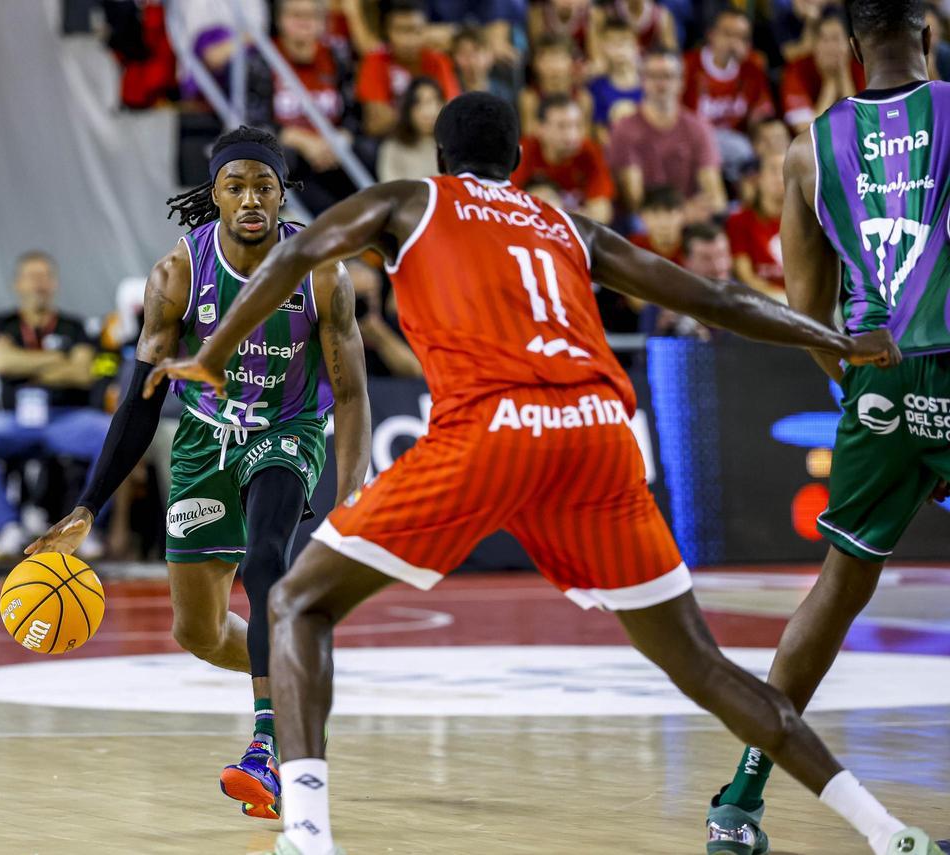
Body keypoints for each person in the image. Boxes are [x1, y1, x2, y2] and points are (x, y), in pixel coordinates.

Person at [152, 91, 933, 855]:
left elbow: (296, 253)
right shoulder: (563, 220)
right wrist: (831, 336)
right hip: (601, 435)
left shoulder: (411, 199)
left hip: (493, 429)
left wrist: (212, 353)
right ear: (519, 161)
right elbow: (715, 296)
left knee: (294, 603)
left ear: (439, 158)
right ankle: (885, 830)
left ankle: (308, 833)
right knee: (701, 664)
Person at [24, 127, 371, 823]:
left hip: (288, 430)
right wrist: (89, 505)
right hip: (206, 438)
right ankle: (295, 677)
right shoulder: (176, 273)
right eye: (235, 185)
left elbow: (354, 391)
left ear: (282, 194)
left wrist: (353, 492)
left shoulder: (321, 272)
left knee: (267, 557)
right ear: (212, 194)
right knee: (199, 631)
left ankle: (269, 748)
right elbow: (142, 396)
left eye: (264, 187)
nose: (250, 198)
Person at [704, 2, 950, 853]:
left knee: (840, 584)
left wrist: (852, 388)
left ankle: (740, 800)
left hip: (877, 370)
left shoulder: (809, 148)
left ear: (848, 48)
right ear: (928, 34)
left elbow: (803, 304)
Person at [0, 251, 109, 563]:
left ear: (55, 284)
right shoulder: (3, 323)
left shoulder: (72, 326)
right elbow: (1, 362)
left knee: (110, 435)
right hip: (15, 421)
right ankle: (7, 526)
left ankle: (83, 527)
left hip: (64, 419)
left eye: (45, 276)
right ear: (17, 284)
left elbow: (83, 372)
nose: (39, 284)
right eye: (32, 277)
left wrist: (23, 365)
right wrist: (58, 360)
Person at [249, 0, 359, 214]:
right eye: (296, 16)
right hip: (291, 155)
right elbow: (254, 121)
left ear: (322, 23)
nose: (304, 23)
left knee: (364, 151)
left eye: (311, 16)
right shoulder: (263, 60)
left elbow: (354, 114)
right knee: (281, 157)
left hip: (331, 153)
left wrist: (341, 137)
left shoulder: (337, 57)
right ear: (280, 20)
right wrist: (303, 141)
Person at [609, 47, 726, 222]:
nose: (661, 84)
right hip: (645, 220)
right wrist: (676, 216)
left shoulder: (698, 127)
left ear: (681, 82)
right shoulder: (625, 129)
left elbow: (716, 197)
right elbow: (634, 200)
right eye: (654, 76)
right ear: (642, 81)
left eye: (668, 76)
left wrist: (687, 214)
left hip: (688, 218)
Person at [683, 7, 776, 176]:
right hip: (693, 143)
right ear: (711, 35)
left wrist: (761, 140)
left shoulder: (753, 70)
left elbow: (761, 115)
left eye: (741, 37)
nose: (733, 43)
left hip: (737, 147)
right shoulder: (688, 65)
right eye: (727, 34)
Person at [355, 0, 461, 137]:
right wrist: (424, 113)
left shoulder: (437, 60)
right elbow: (376, 124)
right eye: (401, 30)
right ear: (387, 31)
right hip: (393, 141)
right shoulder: (374, 60)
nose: (408, 40)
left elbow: (452, 111)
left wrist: (400, 114)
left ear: (425, 31)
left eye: (415, 31)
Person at [511, 93, 615, 224]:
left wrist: (556, 214)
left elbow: (602, 213)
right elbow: (508, 205)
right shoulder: (523, 152)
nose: (571, 135)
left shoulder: (590, 152)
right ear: (540, 128)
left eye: (577, 125)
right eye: (562, 126)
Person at [781, 7, 867, 132]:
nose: (831, 47)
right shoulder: (796, 70)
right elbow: (807, 132)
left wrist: (844, 75)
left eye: (836, 39)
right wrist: (830, 83)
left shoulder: (860, 68)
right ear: (814, 44)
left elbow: (861, 125)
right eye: (824, 39)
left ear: (850, 44)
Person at [726, 151, 786, 301]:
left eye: (786, 170)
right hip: (763, 299)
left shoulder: (809, 219)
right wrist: (782, 297)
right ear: (758, 178)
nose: (780, 177)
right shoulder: (739, 220)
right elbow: (746, 276)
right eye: (773, 170)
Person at [517, 35, 593, 132]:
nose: (554, 65)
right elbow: (529, 135)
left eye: (560, 58)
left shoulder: (583, 98)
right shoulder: (529, 98)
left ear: (571, 62)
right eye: (547, 59)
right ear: (536, 64)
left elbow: (584, 136)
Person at [376, 77, 445, 182]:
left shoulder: (451, 145)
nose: (428, 111)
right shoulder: (393, 148)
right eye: (419, 103)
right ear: (408, 109)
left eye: (433, 101)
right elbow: (390, 188)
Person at [587, 19, 644, 142]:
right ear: (603, 47)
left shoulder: (648, 84)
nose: (619, 48)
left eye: (624, 41)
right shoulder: (596, 86)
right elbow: (599, 131)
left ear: (636, 46)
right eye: (612, 43)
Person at [451, 25, 518, 106]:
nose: (470, 59)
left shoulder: (503, 92)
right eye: (463, 52)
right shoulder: (449, 89)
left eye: (476, 51)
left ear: (489, 56)